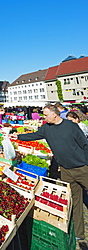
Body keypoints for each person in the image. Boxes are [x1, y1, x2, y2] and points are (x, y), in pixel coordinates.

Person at [16, 104, 88, 244]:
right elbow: (34, 136)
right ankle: (80, 234)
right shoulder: (46, 128)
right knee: (75, 202)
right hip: (66, 170)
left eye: (46, 114)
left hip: (81, 168)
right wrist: (18, 136)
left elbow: (85, 144)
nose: (44, 117)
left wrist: (86, 162)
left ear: (54, 114)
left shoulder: (71, 126)